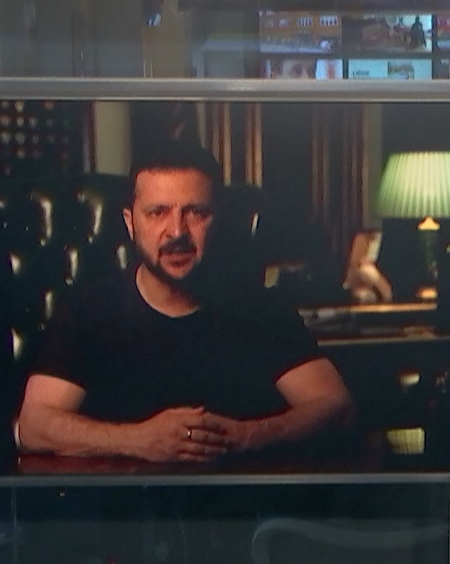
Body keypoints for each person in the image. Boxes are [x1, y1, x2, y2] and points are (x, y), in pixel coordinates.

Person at [17, 141, 354, 465]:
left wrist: (244, 436)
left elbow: (336, 405)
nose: (176, 232)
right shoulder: (89, 311)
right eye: (157, 212)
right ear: (130, 222)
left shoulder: (257, 307)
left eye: (196, 212)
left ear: (217, 217)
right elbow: (33, 426)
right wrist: (138, 440)